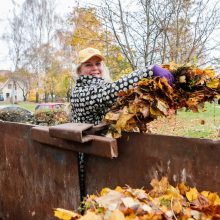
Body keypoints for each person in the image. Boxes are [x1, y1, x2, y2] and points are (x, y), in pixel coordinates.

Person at [70, 47, 173, 125]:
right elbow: (111, 91)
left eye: (98, 63)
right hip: (91, 152)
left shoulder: (103, 86)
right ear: (79, 70)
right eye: (88, 64)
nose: (95, 68)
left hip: (106, 147)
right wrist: (149, 71)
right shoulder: (80, 93)